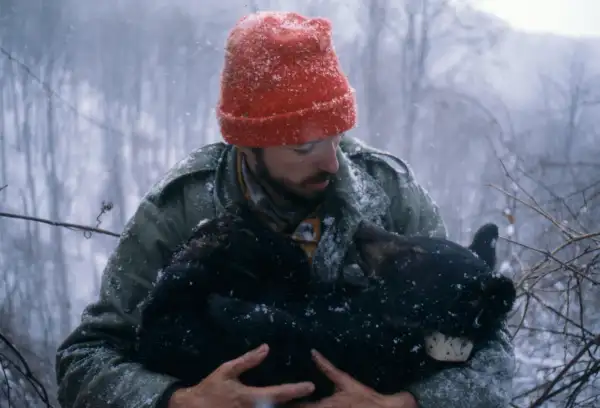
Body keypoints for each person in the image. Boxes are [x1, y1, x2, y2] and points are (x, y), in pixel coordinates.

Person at [55, 10, 515, 408]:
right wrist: (179, 401)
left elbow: (488, 352)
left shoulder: (388, 193)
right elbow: (84, 361)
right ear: (248, 145)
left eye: (337, 136)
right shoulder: (181, 208)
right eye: (305, 147)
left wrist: (407, 404)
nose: (333, 163)